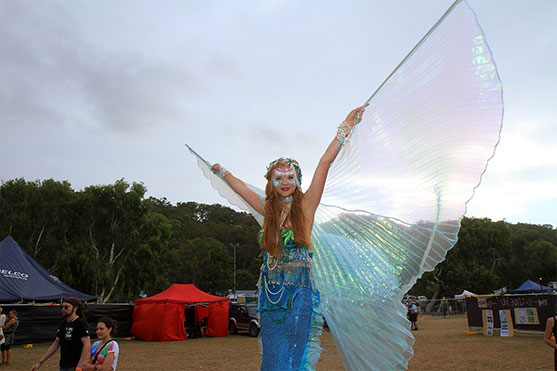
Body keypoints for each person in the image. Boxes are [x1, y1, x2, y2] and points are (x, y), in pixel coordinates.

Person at [210, 107, 363, 370]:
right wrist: (221, 171)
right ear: (271, 182)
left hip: (300, 295)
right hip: (270, 297)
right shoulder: (267, 210)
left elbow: (324, 163)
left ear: (298, 181)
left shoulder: (307, 207)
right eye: (278, 178)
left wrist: (345, 128)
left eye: (290, 177)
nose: (284, 182)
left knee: (295, 355)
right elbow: (242, 188)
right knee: (273, 356)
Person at [31, 297, 91, 371]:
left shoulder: (80, 323)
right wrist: (40, 362)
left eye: (66, 307)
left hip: (75, 366)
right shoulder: (63, 323)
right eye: (62, 307)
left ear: (75, 308)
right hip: (64, 365)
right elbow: (56, 343)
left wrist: (79, 366)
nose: (63, 309)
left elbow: (87, 344)